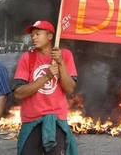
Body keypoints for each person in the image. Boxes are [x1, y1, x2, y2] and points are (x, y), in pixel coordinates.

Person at [13, 20, 78, 155]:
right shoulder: (27, 58)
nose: (33, 37)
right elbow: (18, 93)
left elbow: (70, 88)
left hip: (57, 121)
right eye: (32, 35)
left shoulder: (65, 55)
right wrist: (46, 78)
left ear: (50, 36)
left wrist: (60, 63)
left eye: (38, 34)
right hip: (32, 121)